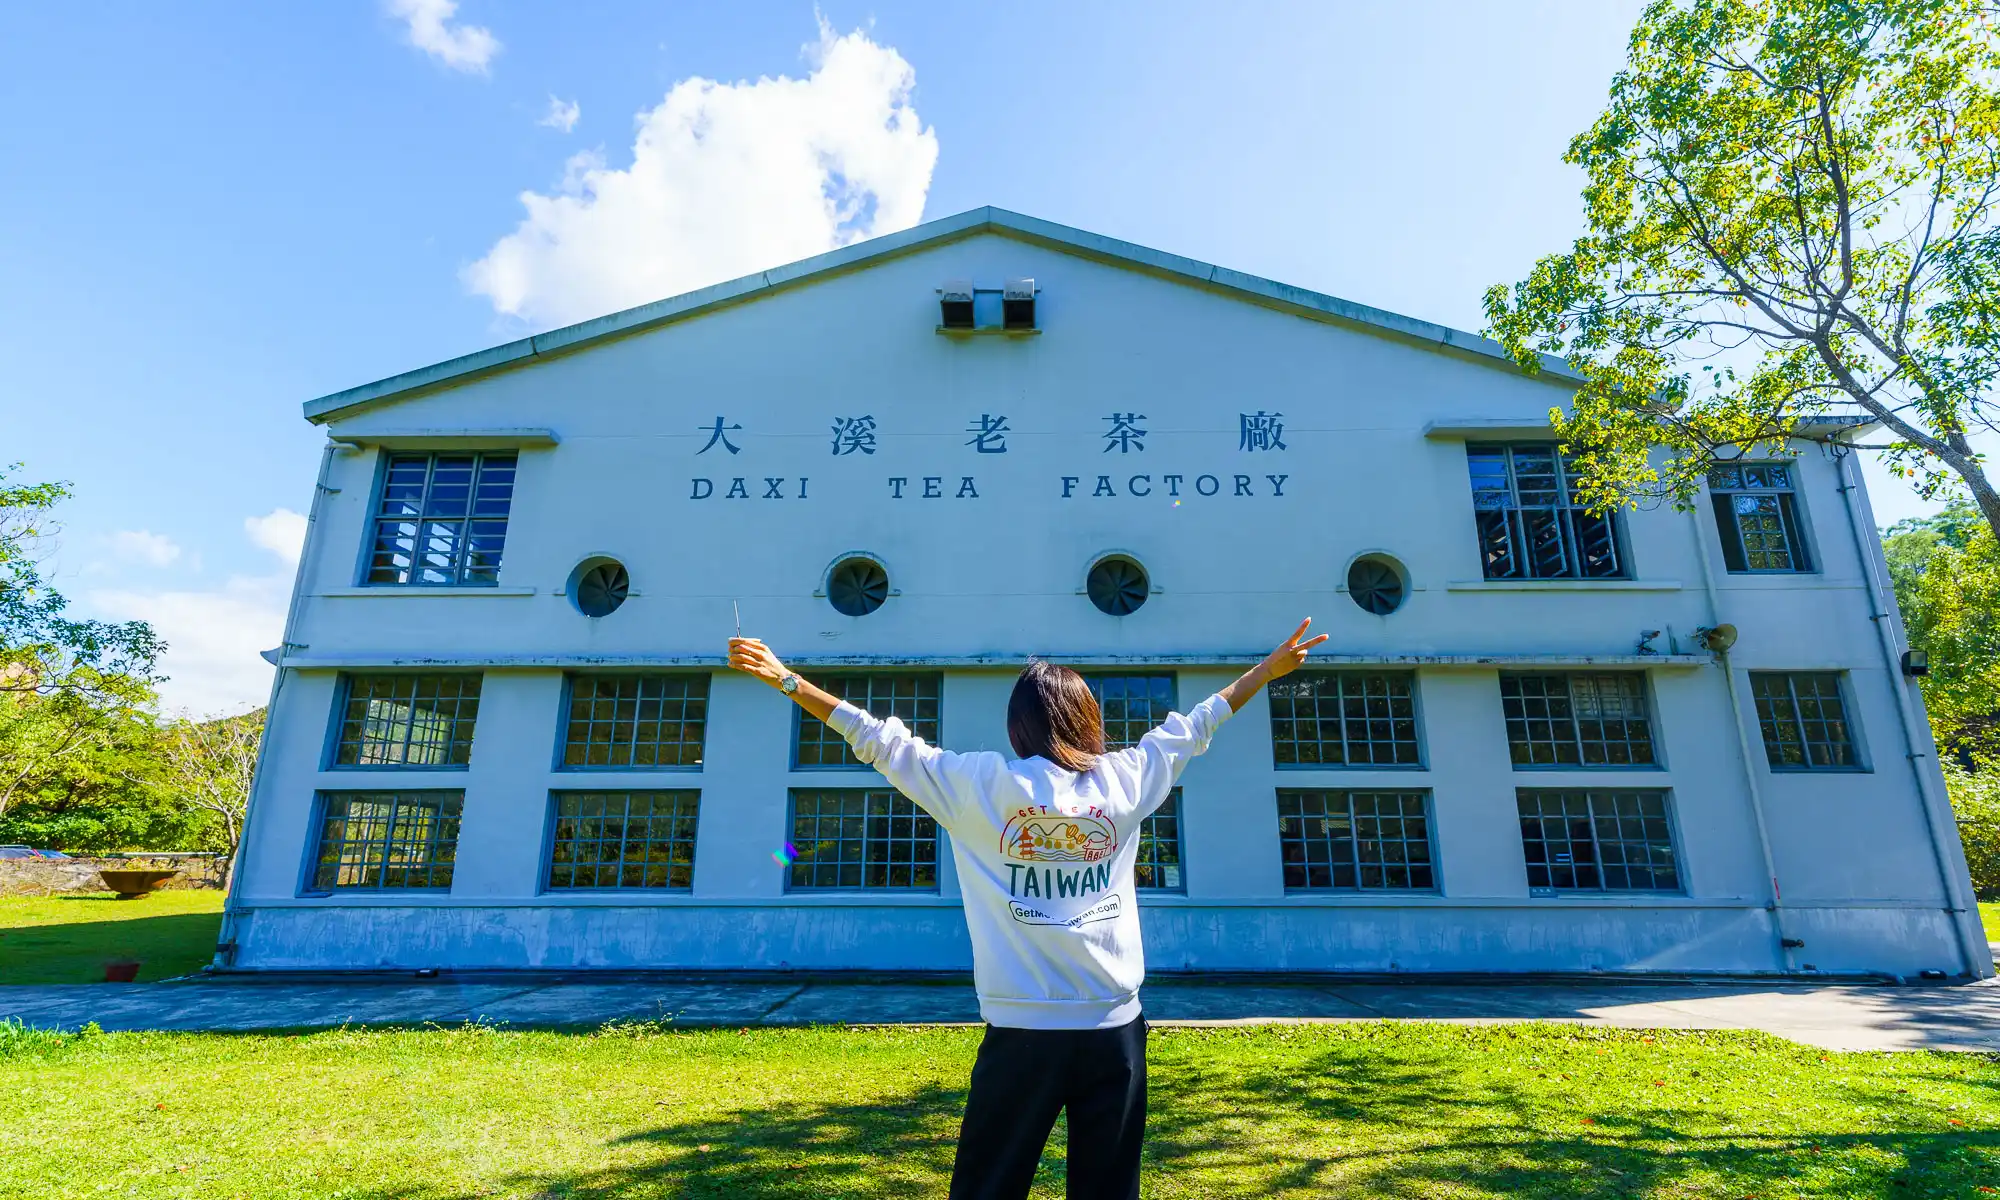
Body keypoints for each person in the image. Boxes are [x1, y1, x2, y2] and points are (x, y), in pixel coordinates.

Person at [727, 619, 1330, 1200]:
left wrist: (786, 678)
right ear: (1088, 718)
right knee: (1107, 1188)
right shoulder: (1124, 780)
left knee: (989, 1187)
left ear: (1018, 727)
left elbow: (875, 738)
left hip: (1021, 1034)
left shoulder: (978, 786)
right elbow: (1201, 721)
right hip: (1113, 1031)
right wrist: (1267, 671)